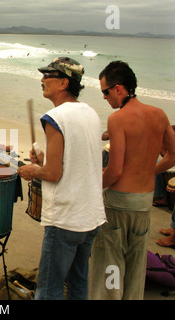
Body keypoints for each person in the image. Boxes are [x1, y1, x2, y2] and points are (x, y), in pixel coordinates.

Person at [17, 57, 106, 300]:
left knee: (49, 289)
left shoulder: (55, 117)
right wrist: (44, 159)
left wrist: (30, 170)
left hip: (67, 218)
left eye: (49, 76)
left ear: (64, 82)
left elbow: (53, 174)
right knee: (78, 284)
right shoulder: (91, 114)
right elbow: (77, 161)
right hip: (91, 216)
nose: (42, 80)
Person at [88, 61, 175, 300]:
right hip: (143, 203)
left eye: (105, 91)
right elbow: (172, 156)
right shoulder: (159, 114)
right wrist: (149, 172)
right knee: (136, 270)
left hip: (118, 204)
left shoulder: (118, 119)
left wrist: (95, 187)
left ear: (119, 89)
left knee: (110, 267)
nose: (105, 97)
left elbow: (115, 170)